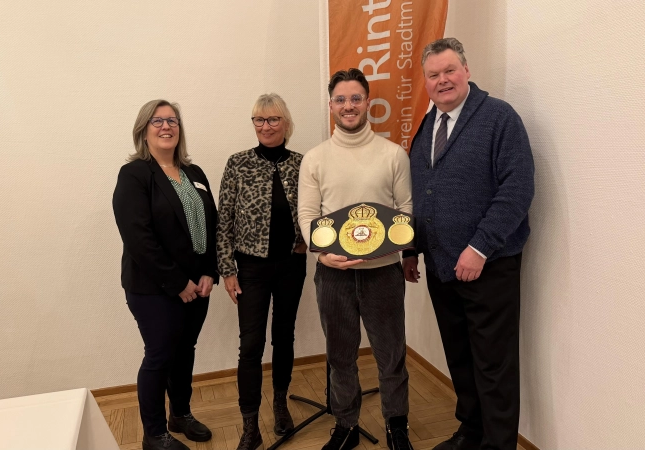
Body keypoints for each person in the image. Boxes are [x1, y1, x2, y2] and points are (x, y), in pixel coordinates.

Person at [403, 38, 535, 450]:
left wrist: (479, 248)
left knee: (494, 364)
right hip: (441, 266)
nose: (442, 80)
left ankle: (497, 444)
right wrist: (411, 248)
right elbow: (421, 192)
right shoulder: (428, 125)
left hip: (488, 266)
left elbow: (517, 189)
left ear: (466, 71)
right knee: (459, 356)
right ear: (426, 82)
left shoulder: (499, 118)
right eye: (433, 75)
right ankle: (471, 431)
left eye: (449, 71)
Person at [297, 68, 414, 450]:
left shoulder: (393, 154)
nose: (348, 106)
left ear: (367, 102)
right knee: (340, 357)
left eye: (355, 98)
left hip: (383, 274)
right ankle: (345, 426)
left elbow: (405, 210)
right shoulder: (315, 159)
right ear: (331, 105)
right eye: (341, 99)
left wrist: (392, 245)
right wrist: (322, 253)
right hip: (333, 276)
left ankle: (397, 427)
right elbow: (307, 215)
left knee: (391, 355)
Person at [113, 100, 218, 450]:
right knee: (159, 356)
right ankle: (155, 434)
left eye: (172, 120)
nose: (166, 126)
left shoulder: (194, 172)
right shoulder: (135, 175)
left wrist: (209, 272)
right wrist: (176, 282)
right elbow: (138, 237)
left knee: (185, 350)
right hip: (153, 288)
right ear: (144, 130)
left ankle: (181, 414)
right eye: (157, 121)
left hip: (197, 285)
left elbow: (212, 225)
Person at [216, 93, 307, 450]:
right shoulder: (238, 163)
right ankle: (250, 425)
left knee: (284, 337)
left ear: (285, 123)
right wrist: (227, 269)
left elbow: (314, 210)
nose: (265, 126)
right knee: (251, 345)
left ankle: (280, 404)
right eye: (259, 120)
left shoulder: (301, 163)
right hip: (250, 268)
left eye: (272, 119)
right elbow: (224, 220)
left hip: (291, 266)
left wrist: (307, 241)